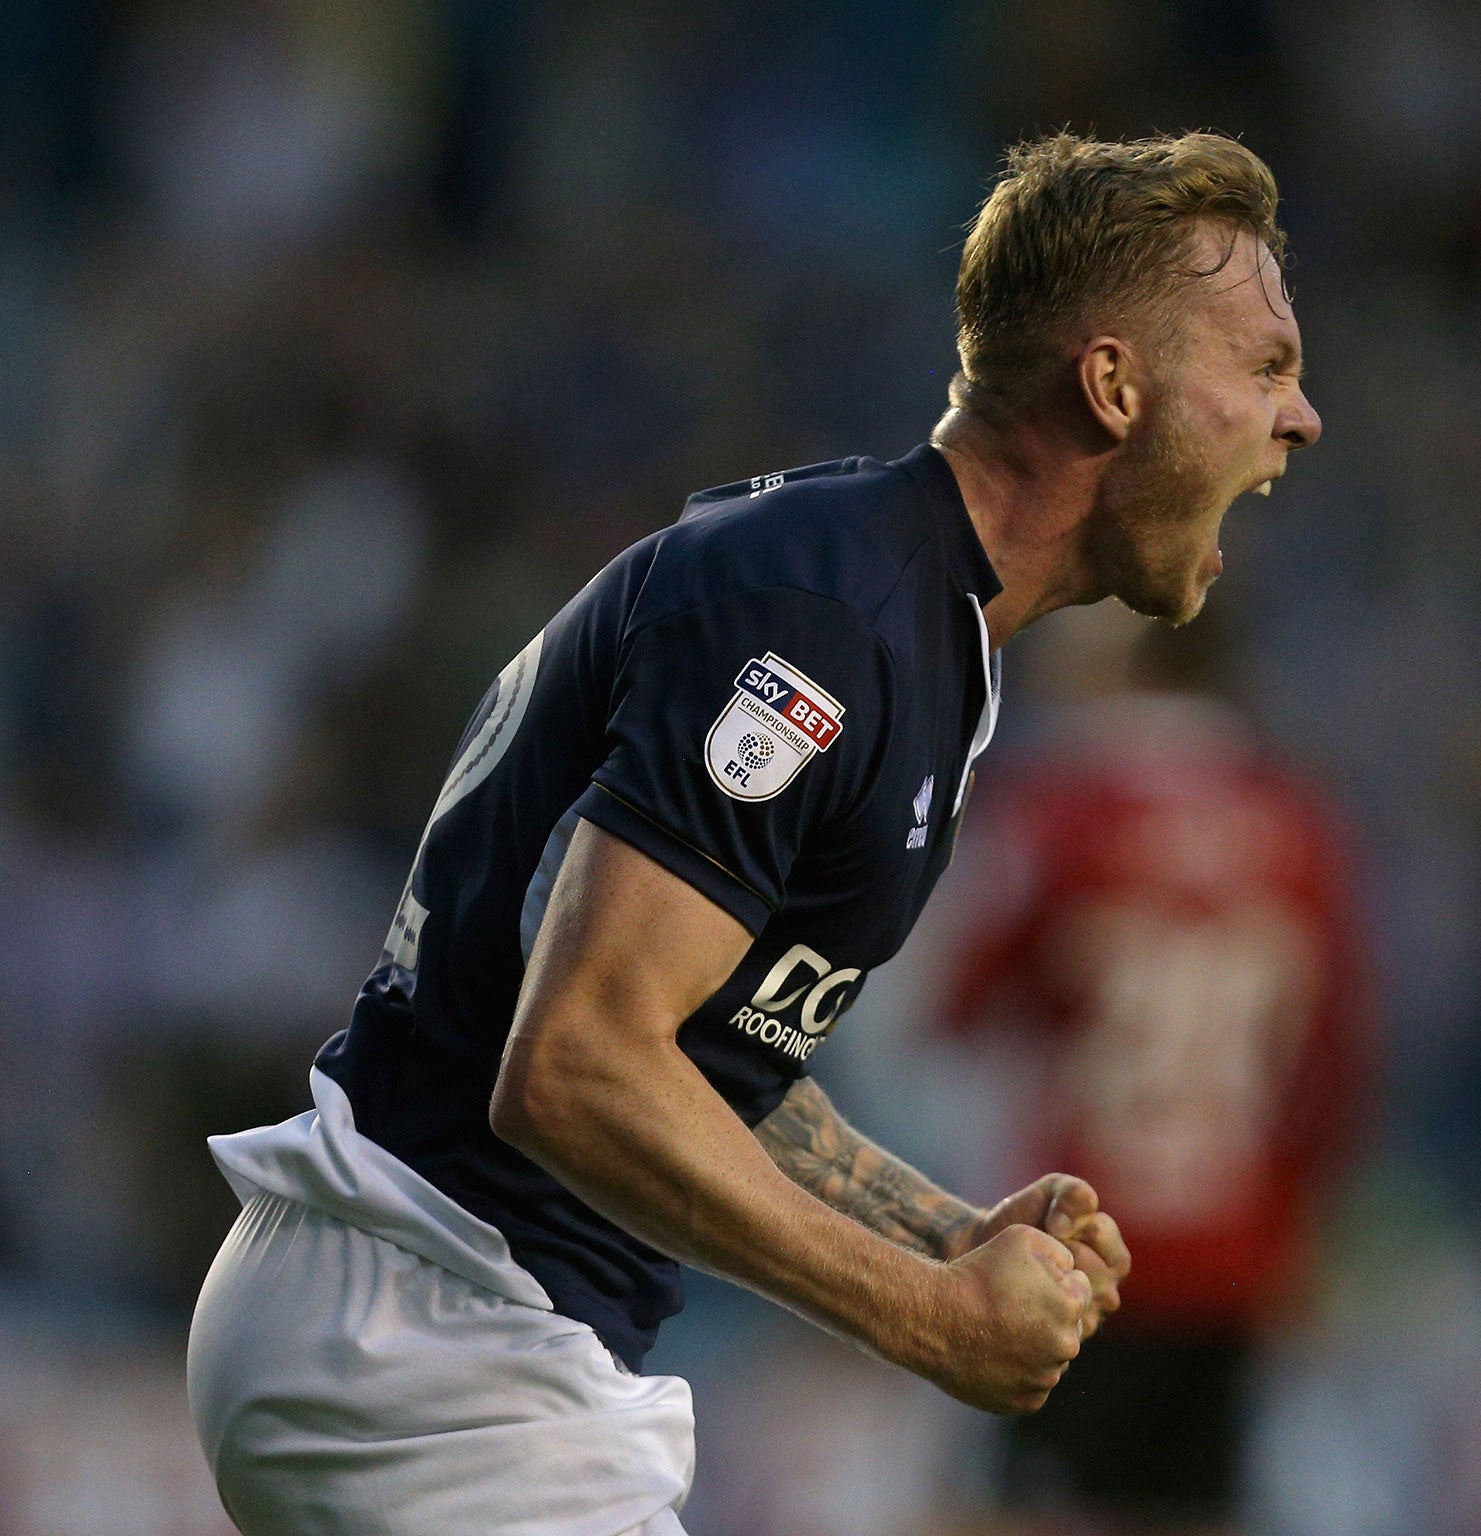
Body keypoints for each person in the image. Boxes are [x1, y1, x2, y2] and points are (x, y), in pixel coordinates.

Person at [185, 130, 1320, 1536]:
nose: (1298, 417)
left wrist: (941, 1231)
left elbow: (706, 1045)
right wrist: (926, 1319)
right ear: (1113, 386)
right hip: (434, 1333)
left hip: (439, 1325)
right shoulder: (824, 627)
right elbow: (579, 1063)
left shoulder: (899, 618)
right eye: (1265, 365)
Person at [942, 606, 1366, 1533]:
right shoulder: (1299, 823)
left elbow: (957, 1008)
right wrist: (1304, 1224)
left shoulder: (1061, 812)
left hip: (1073, 1238)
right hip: (1237, 1249)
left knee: (1014, 1511)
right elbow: (1336, 1063)